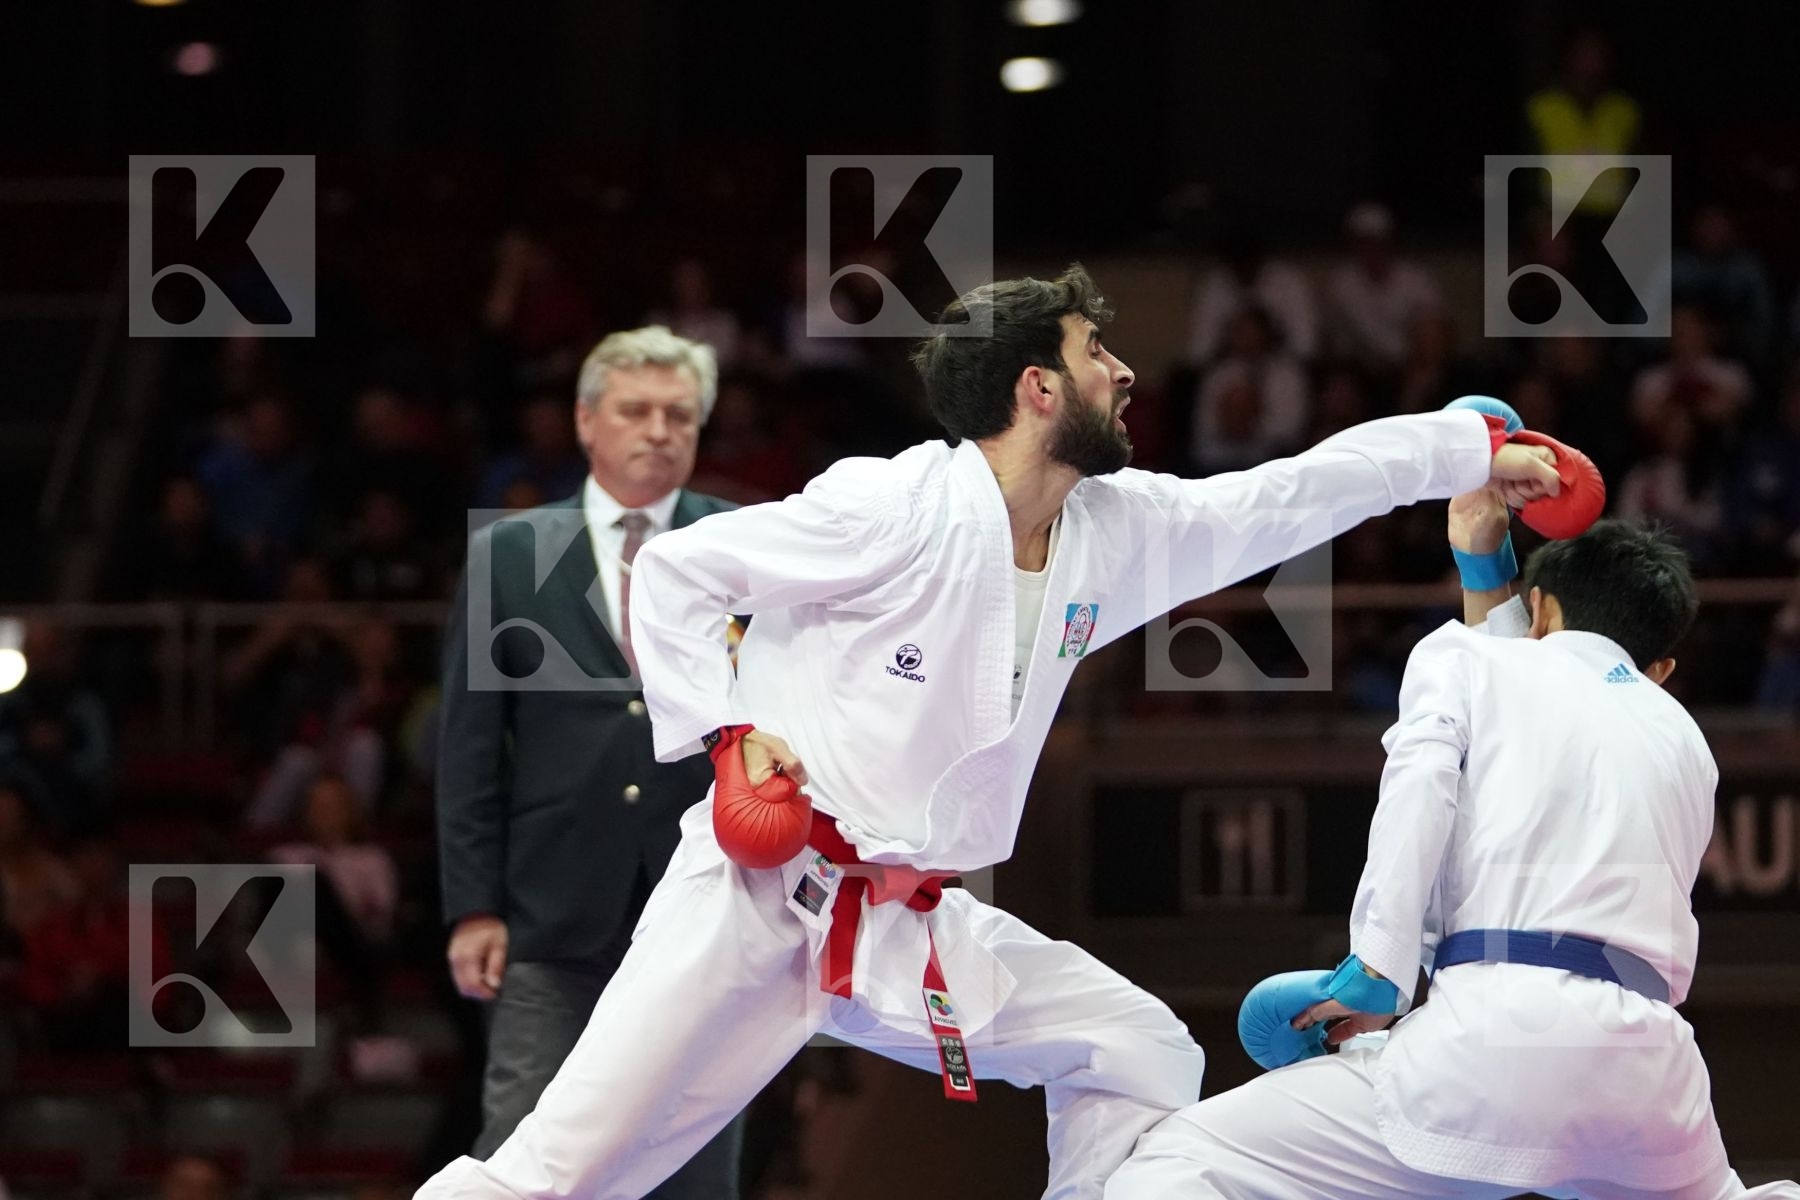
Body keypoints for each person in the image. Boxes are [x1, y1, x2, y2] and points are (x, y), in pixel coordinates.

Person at [416, 265, 1560, 1200]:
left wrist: (1458, 453)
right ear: (1037, 389)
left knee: (1139, 1047)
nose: (1124, 371)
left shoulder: (1111, 530)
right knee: (555, 1175)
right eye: (1096, 354)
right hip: (754, 904)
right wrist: (729, 734)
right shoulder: (894, 503)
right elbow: (671, 570)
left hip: (908, 923)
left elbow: (1286, 497)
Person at [1106, 508, 1800, 1199]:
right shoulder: (1687, 738)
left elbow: (1424, 791)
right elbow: (1534, 695)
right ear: (1664, 667)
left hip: (1489, 1054)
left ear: (1542, 608)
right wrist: (1483, 559)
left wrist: (1378, 966)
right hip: (1653, 1085)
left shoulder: (1465, 657)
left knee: (1181, 1158)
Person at [435, 326, 745, 1193]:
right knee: (524, 1150)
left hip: (706, 904)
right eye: (636, 410)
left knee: (691, 1156)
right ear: (585, 421)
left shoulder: (744, 546)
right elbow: (468, 749)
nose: (658, 430)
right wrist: (472, 907)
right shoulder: (512, 551)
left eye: (679, 415)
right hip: (550, 904)